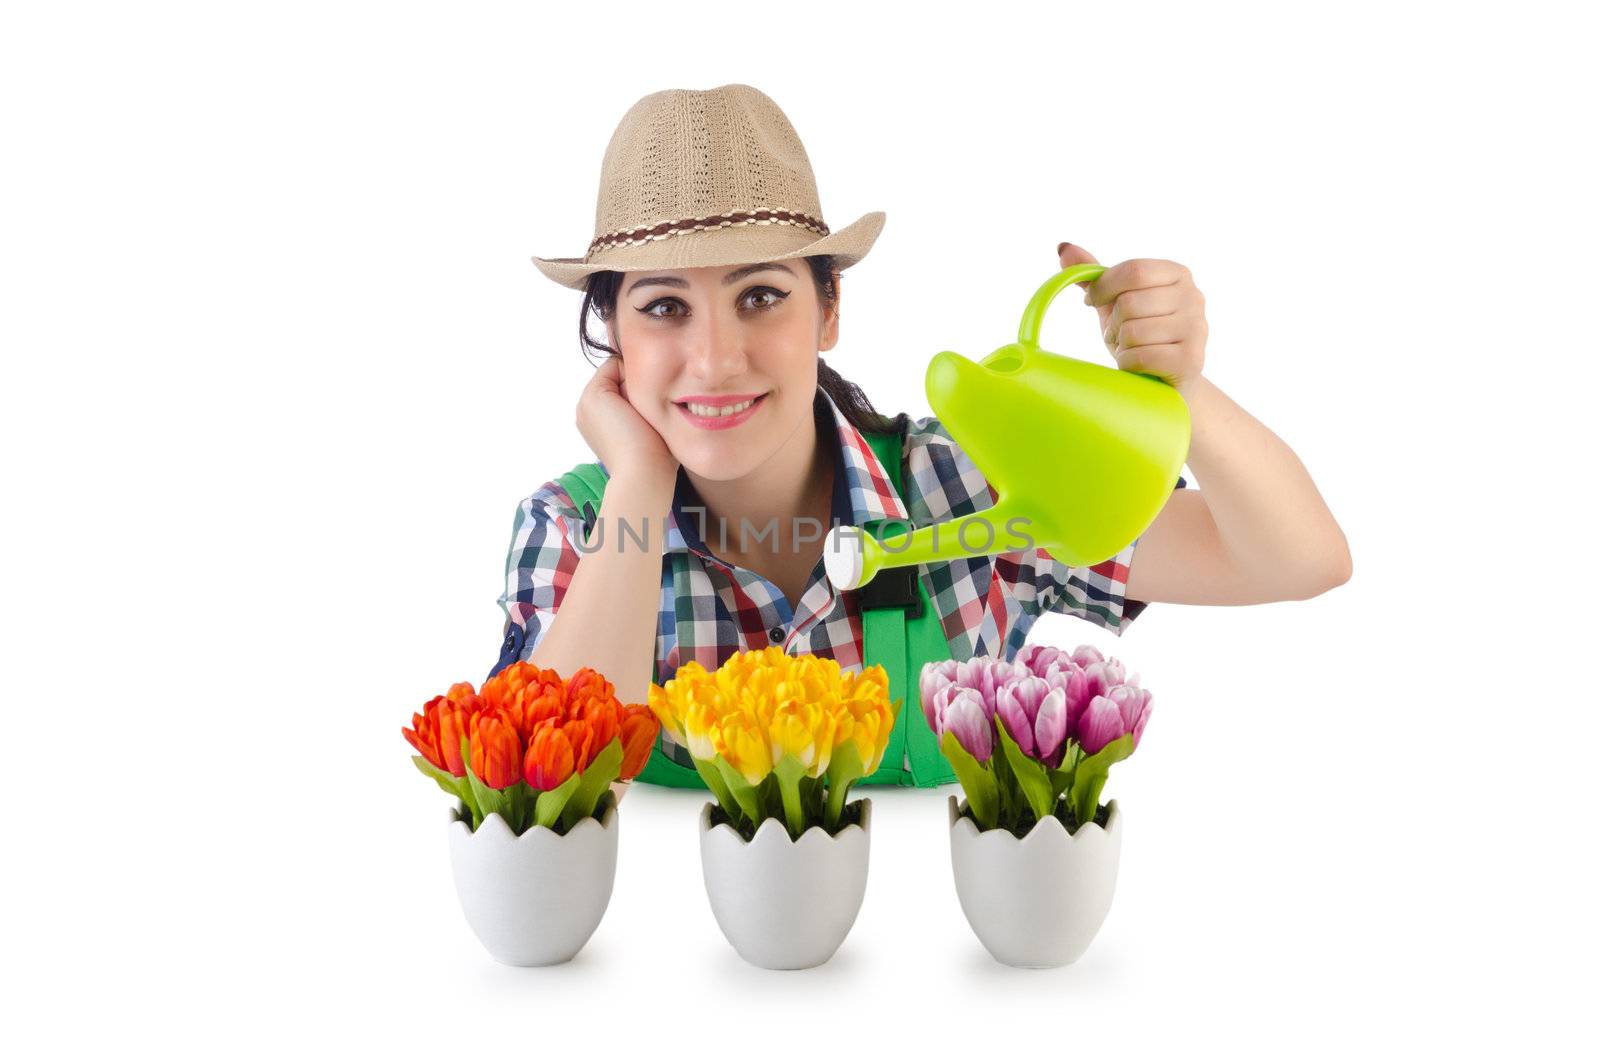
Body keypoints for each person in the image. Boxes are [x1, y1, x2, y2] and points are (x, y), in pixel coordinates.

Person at [494, 83, 1351, 785]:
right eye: (664, 308)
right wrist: (639, 485)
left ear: (829, 311)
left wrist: (1181, 388)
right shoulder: (572, 531)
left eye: (760, 295)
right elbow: (545, 784)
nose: (715, 359)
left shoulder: (972, 491)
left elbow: (1299, 559)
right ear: (614, 337)